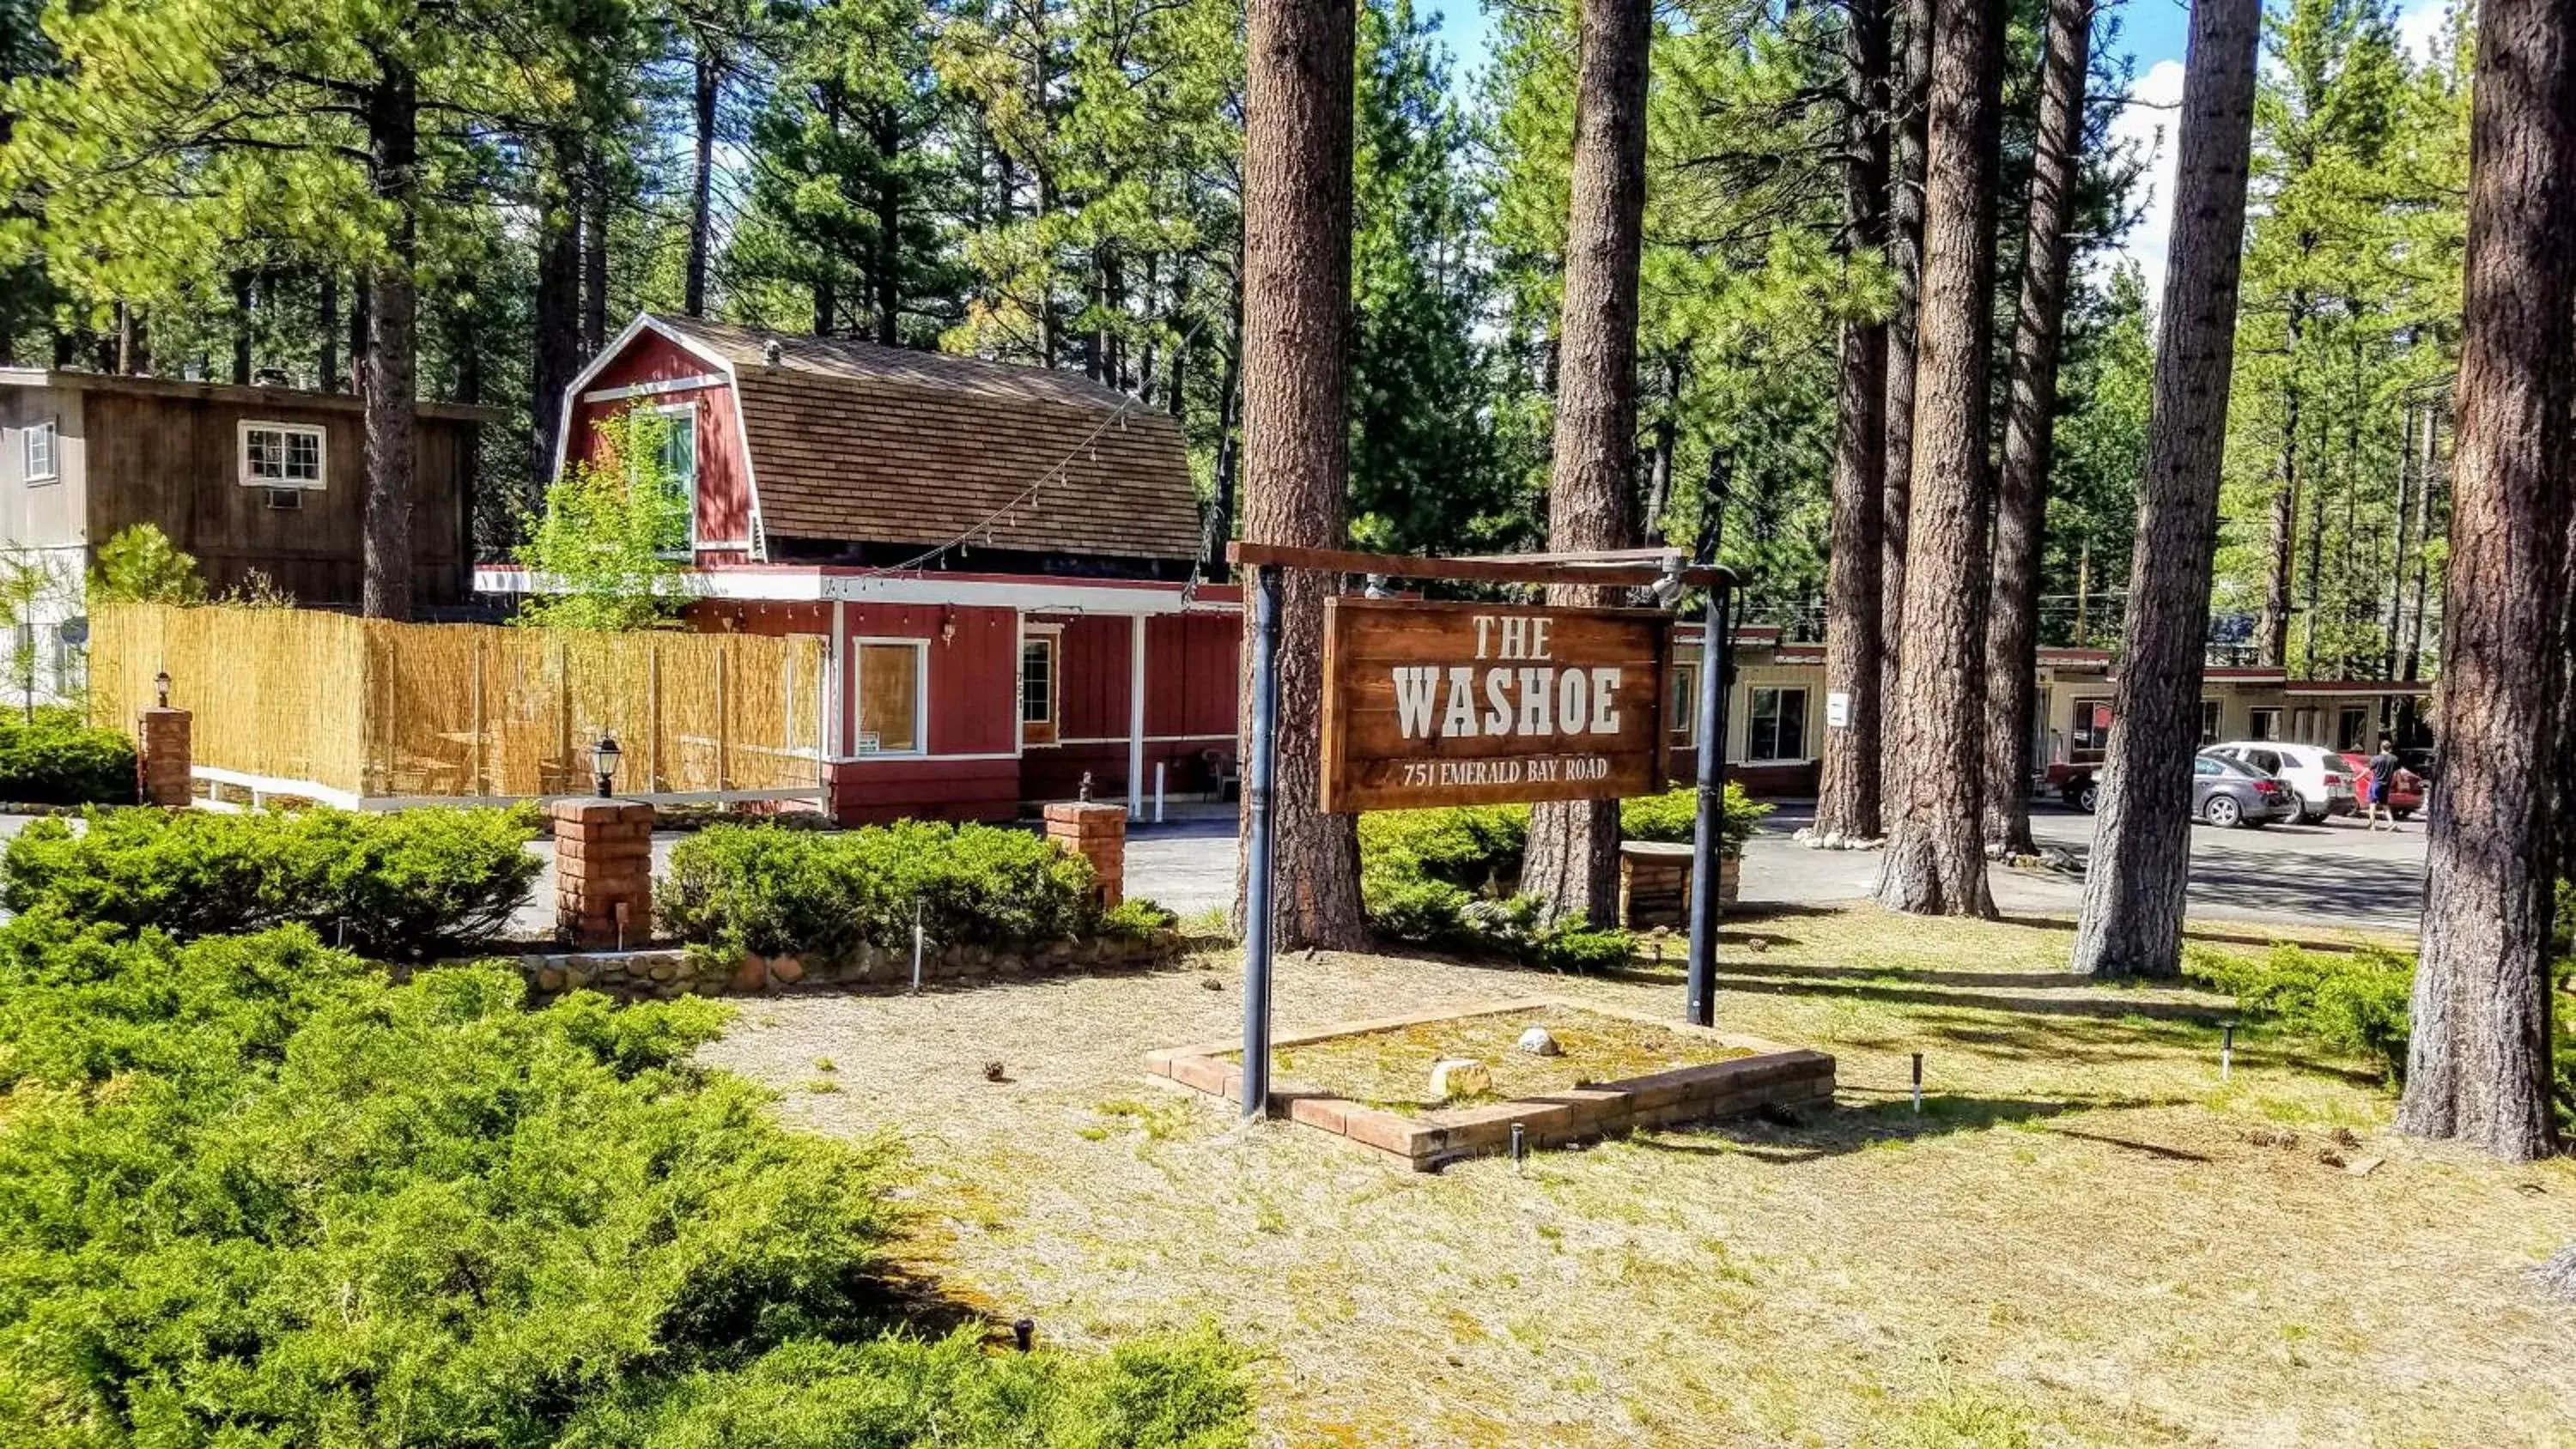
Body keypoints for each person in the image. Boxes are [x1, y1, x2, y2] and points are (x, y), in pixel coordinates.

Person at [2366, 736, 2404, 832]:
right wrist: (2400, 784)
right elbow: (2398, 773)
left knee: (2372, 803)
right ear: (2390, 748)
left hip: (2376, 783)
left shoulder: (2376, 759)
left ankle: (2373, 825)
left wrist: (2355, 778)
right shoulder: (2394, 759)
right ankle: (2391, 823)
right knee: (2385, 804)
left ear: (2381, 747)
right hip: (2386, 784)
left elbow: (2366, 770)